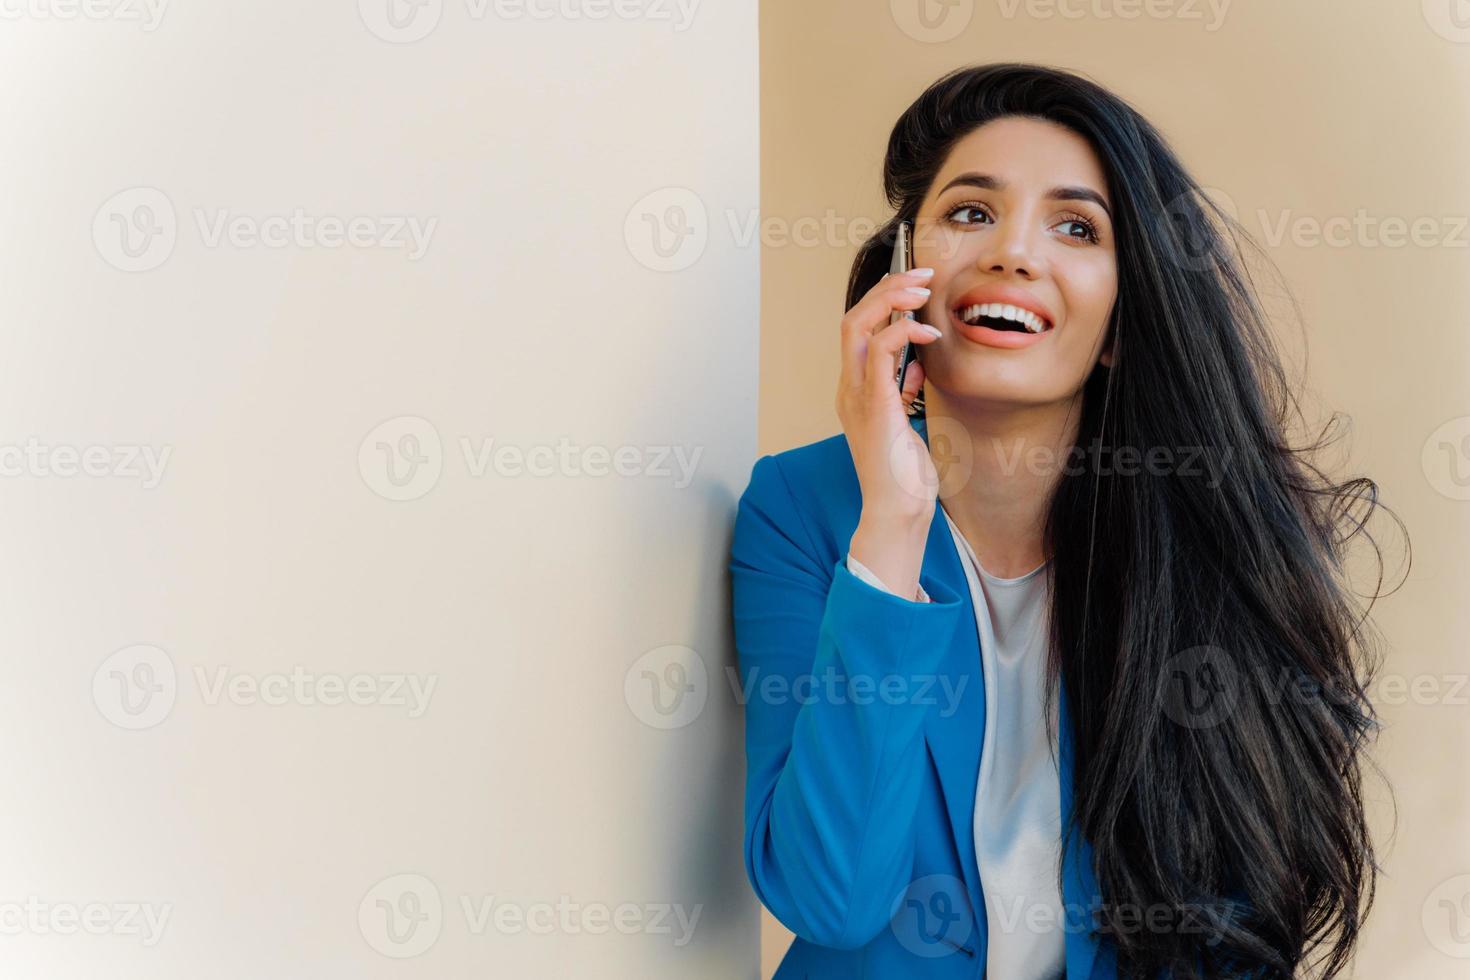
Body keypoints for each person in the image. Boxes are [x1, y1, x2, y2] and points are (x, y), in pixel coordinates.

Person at [728, 62, 1399, 979]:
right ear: (903, 274)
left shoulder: (1199, 544)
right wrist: (890, 523)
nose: (1013, 251)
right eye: (969, 212)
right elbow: (830, 900)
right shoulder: (801, 511)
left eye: (1076, 226)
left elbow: (1234, 920)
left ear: (1124, 322)